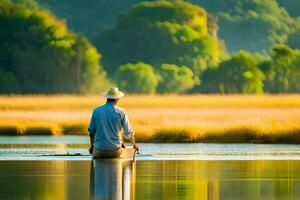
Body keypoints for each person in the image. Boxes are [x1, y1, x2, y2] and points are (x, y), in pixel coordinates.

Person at [88, 87, 139, 158]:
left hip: (98, 151)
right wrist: (134, 144)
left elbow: (91, 132)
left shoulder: (96, 111)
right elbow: (128, 133)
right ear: (117, 99)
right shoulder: (121, 112)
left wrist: (92, 147)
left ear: (107, 98)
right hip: (116, 151)